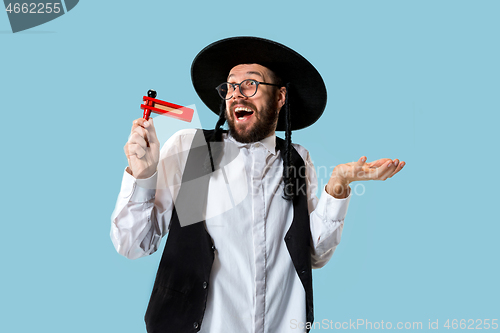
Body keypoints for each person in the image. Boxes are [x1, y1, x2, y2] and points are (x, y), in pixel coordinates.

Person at [111, 37, 404, 333]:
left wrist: (338, 185)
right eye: (231, 86)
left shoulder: (299, 160)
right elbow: (132, 244)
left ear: (280, 97)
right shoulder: (190, 148)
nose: (237, 94)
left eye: (251, 84)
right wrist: (143, 175)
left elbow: (313, 255)